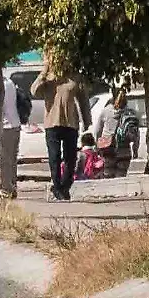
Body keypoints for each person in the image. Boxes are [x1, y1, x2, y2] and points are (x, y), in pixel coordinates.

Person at [34, 56, 92, 201]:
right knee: (54, 157)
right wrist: (45, 72)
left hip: (70, 123)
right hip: (51, 123)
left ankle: (65, 186)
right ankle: (58, 187)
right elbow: (34, 91)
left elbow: (83, 99)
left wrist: (87, 121)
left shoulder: (75, 77)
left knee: (71, 158)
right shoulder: (48, 77)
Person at [0, 69, 26, 198]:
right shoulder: (9, 82)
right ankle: (12, 187)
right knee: (12, 159)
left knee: (4, 160)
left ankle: (6, 190)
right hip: (15, 124)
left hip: (6, 125)